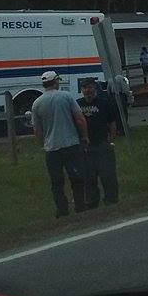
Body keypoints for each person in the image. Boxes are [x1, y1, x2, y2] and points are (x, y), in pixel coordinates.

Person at [31, 70, 89, 218]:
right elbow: (80, 119)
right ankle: (80, 207)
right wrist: (84, 137)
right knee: (76, 178)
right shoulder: (66, 96)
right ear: (56, 82)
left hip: (52, 149)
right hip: (71, 144)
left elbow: (37, 131)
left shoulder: (37, 103)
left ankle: (62, 210)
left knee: (56, 182)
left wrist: (44, 143)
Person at [77, 78, 119, 209]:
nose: (87, 90)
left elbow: (112, 123)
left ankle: (111, 201)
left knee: (108, 175)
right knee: (89, 178)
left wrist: (111, 140)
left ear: (95, 88)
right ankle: (91, 204)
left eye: (89, 87)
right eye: (84, 88)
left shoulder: (105, 103)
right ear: (81, 90)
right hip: (85, 148)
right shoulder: (77, 104)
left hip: (102, 144)